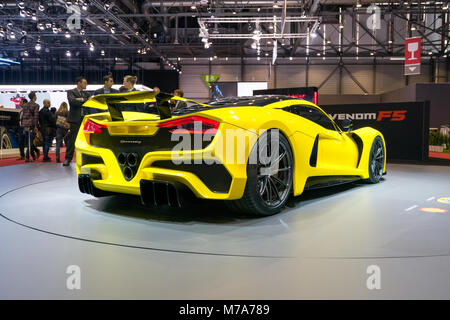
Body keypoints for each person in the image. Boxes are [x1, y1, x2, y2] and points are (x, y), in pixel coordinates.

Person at [63, 76, 91, 166]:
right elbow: (72, 102)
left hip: (86, 120)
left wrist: (80, 99)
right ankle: (68, 158)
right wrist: (84, 100)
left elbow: (89, 103)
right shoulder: (71, 92)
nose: (86, 85)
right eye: (84, 83)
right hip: (75, 120)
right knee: (72, 140)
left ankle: (86, 159)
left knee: (87, 141)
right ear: (79, 83)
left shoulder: (86, 93)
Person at [21, 92, 40, 162]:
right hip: (31, 125)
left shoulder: (25, 105)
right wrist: (35, 126)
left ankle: (33, 155)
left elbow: (23, 115)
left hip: (25, 125)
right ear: (34, 97)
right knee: (30, 141)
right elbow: (36, 117)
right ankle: (28, 156)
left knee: (29, 141)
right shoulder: (36, 105)